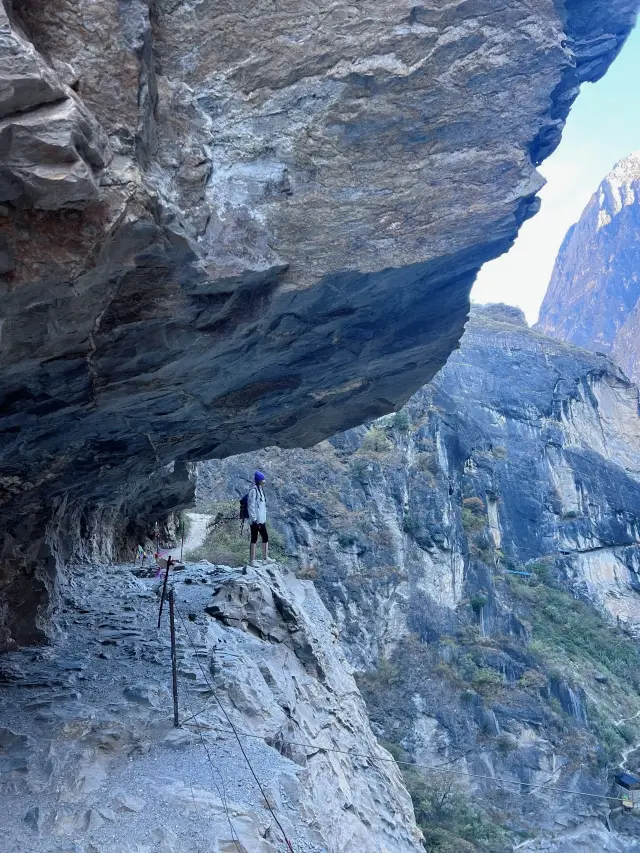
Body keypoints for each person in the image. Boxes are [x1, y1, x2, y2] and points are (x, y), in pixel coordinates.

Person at [248, 470, 275, 567]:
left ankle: (265, 558)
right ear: (259, 480)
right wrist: (254, 519)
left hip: (261, 520)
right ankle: (252, 561)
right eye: (262, 479)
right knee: (254, 539)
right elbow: (251, 506)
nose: (264, 481)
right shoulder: (253, 491)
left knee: (265, 537)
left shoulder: (261, 490)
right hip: (255, 521)